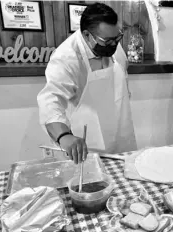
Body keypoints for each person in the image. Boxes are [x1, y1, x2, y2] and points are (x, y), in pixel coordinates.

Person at [37, 3, 137, 164]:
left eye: (118, 37)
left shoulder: (114, 48)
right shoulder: (66, 58)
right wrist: (64, 136)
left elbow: (122, 84)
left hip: (119, 134)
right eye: (108, 41)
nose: (114, 44)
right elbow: (50, 101)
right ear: (87, 34)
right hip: (83, 143)